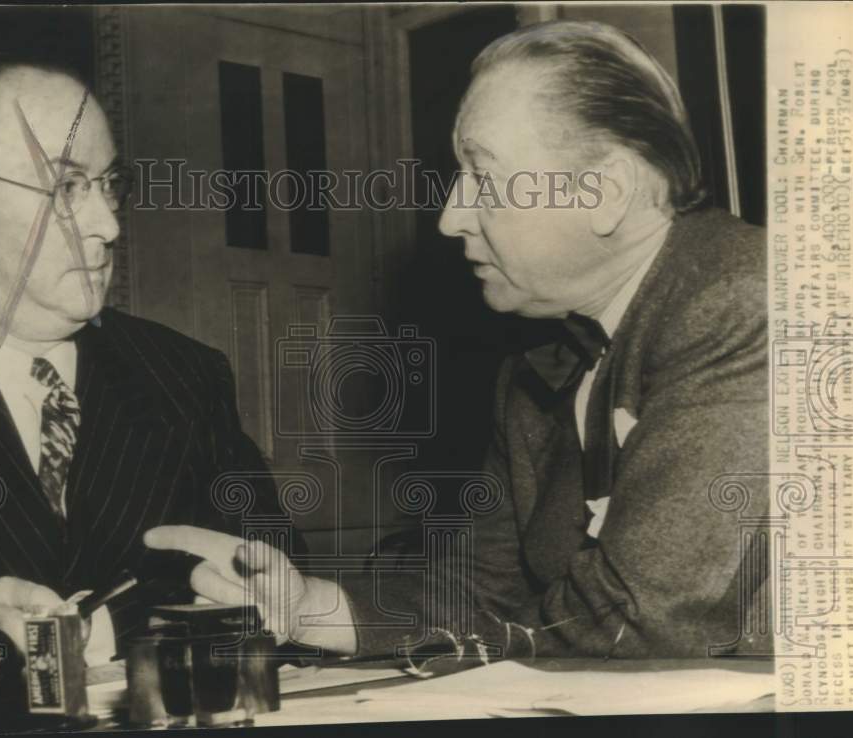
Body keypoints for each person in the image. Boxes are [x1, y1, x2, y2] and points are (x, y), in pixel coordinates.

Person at [149, 20, 769, 662]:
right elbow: (481, 591)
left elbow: (640, 616)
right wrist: (307, 605)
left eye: (482, 175)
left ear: (602, 192)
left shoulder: (749, 300)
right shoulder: (538, 367)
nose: (450, 217)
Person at [0, 55, 310, 729]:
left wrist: (261, 592)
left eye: (109, 185)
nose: (108, 225)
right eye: (66, 188)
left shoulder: (183, 376)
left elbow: (267, 574)